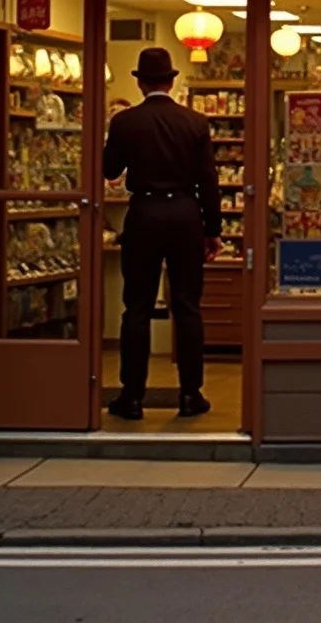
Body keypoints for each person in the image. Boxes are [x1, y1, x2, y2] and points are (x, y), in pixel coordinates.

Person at [102, 47, 224, 419]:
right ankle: (190, 394)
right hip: (185, 213)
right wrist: (213, 229)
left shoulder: (125, 122)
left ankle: (131, 396)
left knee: (136, 306)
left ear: (140, 82)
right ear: (171, 81)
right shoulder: (195, 122)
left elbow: (110, 170)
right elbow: (208, 180)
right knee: (187, 305)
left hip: (144, 212)